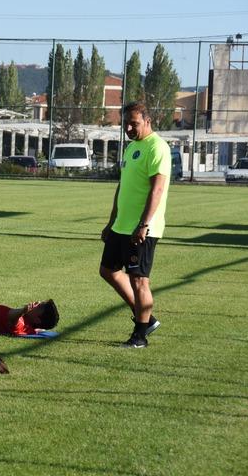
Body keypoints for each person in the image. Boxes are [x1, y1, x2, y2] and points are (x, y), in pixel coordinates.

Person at [99, 101, 171, 348]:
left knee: (139, 280)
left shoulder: (157, 147)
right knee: (107, 270)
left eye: (134, 123)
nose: (129, 128)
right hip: (121, 226)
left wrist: (144, 224)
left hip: (142, 228)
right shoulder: (132, 148)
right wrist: (111, 221)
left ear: (148, 121)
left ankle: (140, 336)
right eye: (126, 123)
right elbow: (123, 187)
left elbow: (157, 189)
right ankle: (146, 318)